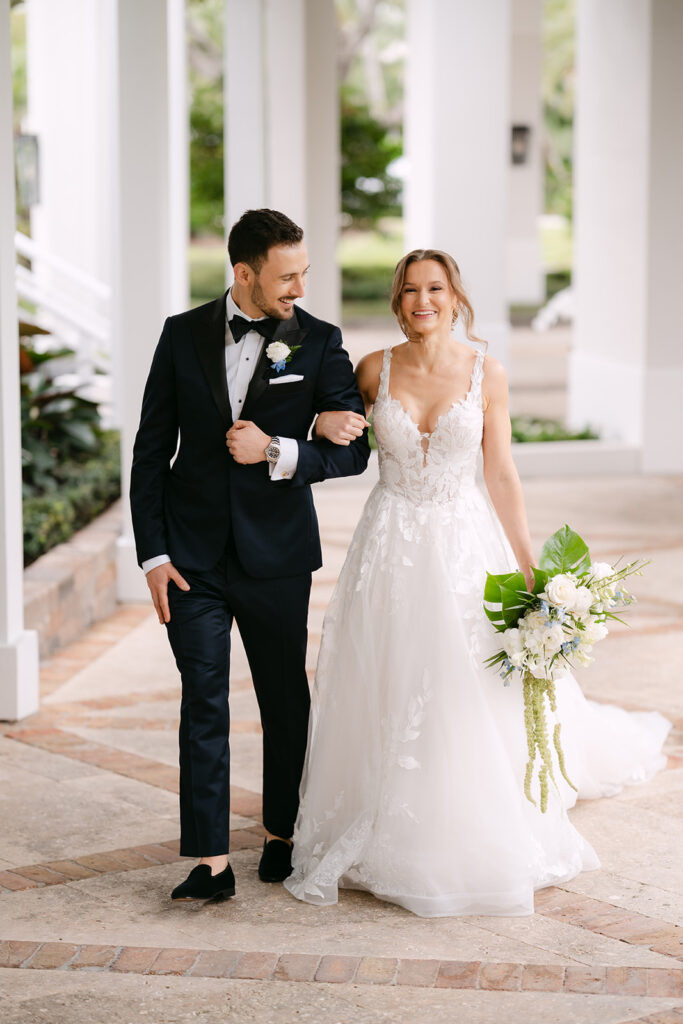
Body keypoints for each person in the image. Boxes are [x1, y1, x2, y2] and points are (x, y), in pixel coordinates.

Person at [284, 248, 670, 917]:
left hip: (466, 542)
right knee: (391, 674)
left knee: (467, 675)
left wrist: (527, 564)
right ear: (395, 299)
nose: (420, 302)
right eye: (408, 291)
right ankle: (383, 805)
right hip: (390, 546)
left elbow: (500, 473)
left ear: (455, 297)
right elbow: (338, 440)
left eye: (434, 289)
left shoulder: (486, 373)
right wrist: (316, 421)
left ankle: (466, 803)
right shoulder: (372, 368)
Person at [130, 208, 370, 902]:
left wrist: (280, 448)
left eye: (302, 274)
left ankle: (281, 834)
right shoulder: (180, 335)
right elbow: (151, 450)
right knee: (202, 701)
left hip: (277, 556)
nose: (297, 288)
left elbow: (351, 450)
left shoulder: (318, 341)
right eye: (285, 276)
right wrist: (153, 556)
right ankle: (208, 861)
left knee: (283, 698)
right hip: (192, 561)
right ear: (243, 273)